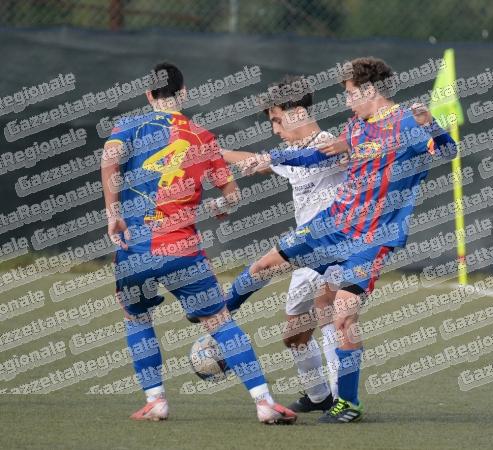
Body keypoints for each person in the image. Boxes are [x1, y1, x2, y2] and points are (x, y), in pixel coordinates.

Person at [217, 57, 457, 423]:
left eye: (349, 93)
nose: (345, 100)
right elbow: (316, 154)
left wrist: (432, 126)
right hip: (333, 223)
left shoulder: (408, 122)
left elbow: (448, 152)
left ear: (368, 90)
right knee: (264, 265)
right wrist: (271, 156)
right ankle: (216, 320)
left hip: (373, 237)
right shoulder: (355, 127)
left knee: (343, 315)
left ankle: (348, 404)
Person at [101, 61, 296, 424]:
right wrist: (219, 206)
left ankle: (156, 400)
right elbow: (232, 195)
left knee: (136, 316)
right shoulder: (203, 137)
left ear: (149, 94)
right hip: (183, 250)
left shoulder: (128, 126)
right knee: (219, 322)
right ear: (184, 93)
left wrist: (113, 213)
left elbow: (109, 162)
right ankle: (264, 401)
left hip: (135, 249)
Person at [215, 75, 345, 412]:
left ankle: (343, 400)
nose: (274, 128)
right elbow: (260, 161)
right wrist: (217, 153)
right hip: (303, 252)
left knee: (327, 310)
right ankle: (320, 397)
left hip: (332, 246)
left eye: (276, 119)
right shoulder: (291, 151)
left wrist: (271, 158)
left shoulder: (329, 145)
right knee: (294, 337)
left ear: (297, 112)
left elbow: (313, 158)